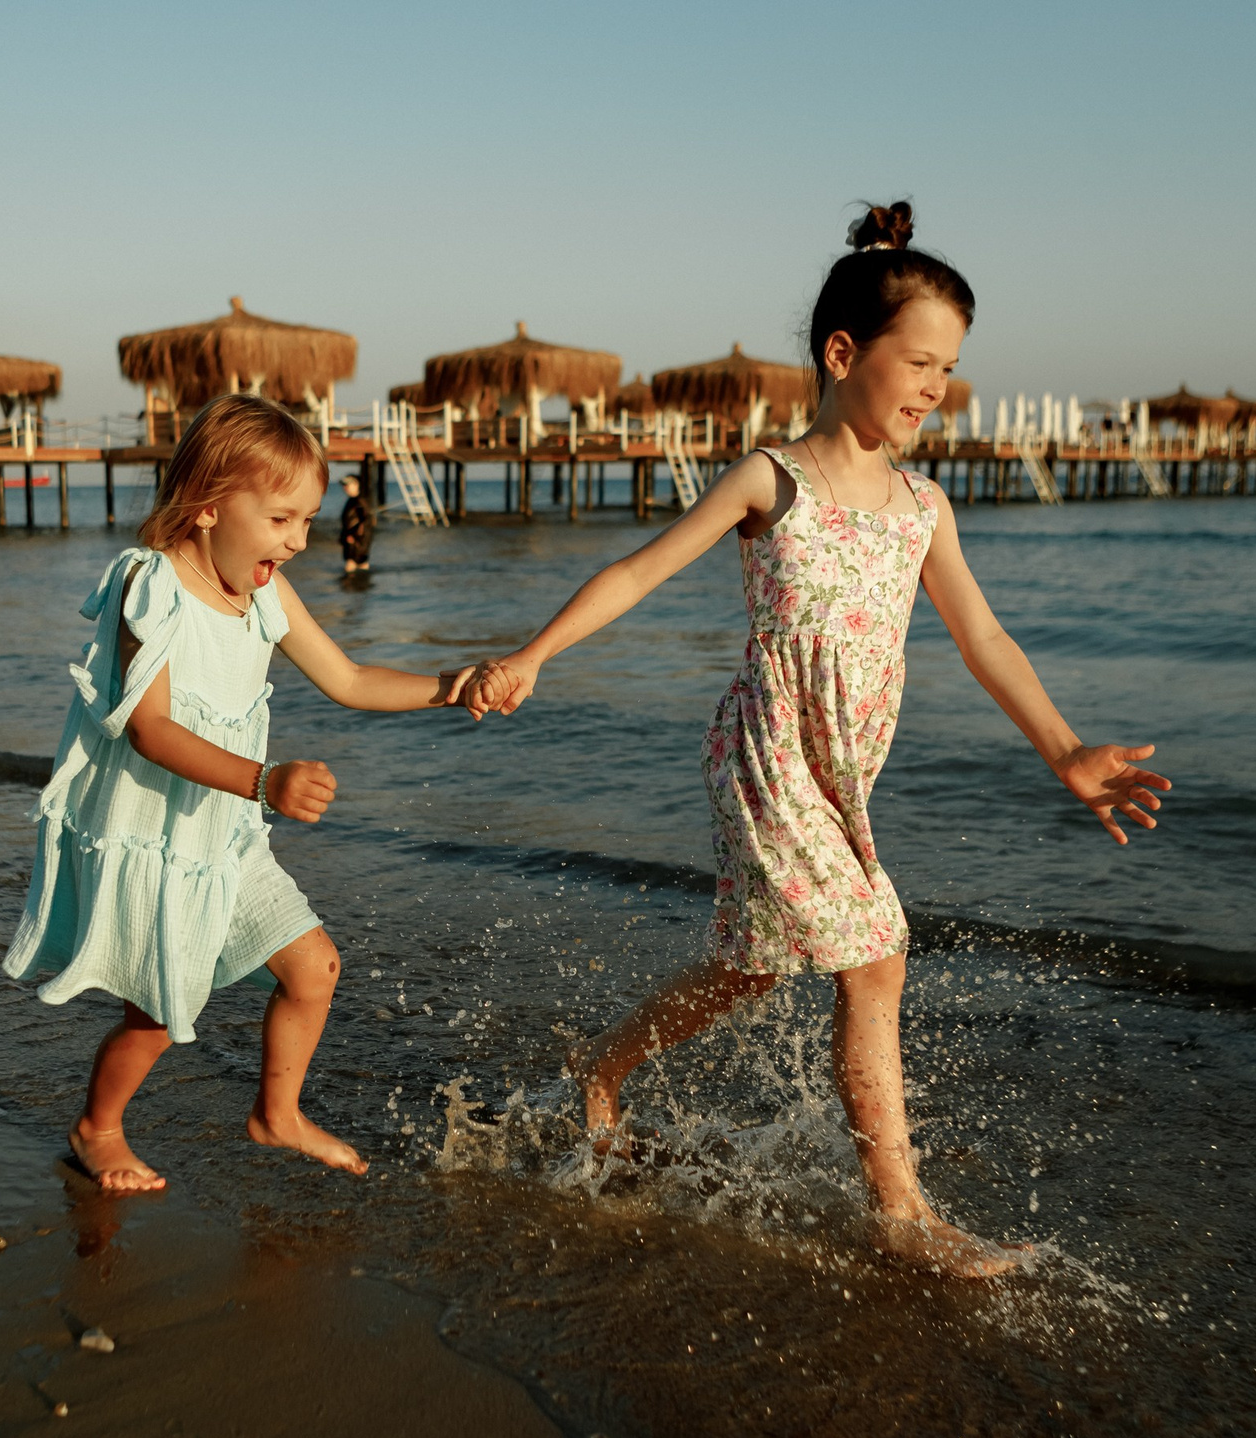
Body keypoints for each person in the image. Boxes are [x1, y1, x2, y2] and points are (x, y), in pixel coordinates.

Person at [462, 202, 1172, 1277]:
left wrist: (1063, 748)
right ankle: (900, 1215)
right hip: (765, 758)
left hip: (844, 774)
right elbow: (641, 569)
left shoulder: (924, 504)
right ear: (845, 354)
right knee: (876, 958)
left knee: (753, 968)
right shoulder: (771, 479)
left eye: (951, 367)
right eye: (920, 361)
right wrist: (536, 653)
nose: (938, 386)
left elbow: (982, 636)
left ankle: (601, 1071)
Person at [4, 394, 473, 1195]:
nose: (299, 540)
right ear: (211, 505)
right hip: (159, 840)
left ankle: (277, 1114)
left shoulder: (261, 594)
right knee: (154, 1016)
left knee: (314, 968)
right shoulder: (149, 588)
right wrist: (266, 780)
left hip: (227, 841)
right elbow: (150, 729)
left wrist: (449, 687)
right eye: (283, 519)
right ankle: (97, 1127)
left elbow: (349, 677)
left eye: (306, 521)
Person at [339, 470, 376, 572]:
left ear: (356, 484)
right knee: (362, 569)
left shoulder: (360, 502)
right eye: (344, 485)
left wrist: (354, 538)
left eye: (347, 485)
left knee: (350, 572)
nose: (345, 487)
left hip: (357, 545)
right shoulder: (354, 501)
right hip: (357, 544)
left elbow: (366, 523)